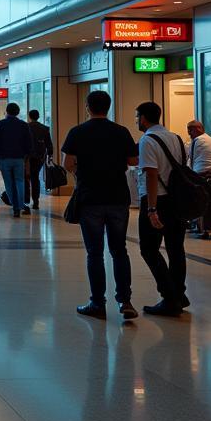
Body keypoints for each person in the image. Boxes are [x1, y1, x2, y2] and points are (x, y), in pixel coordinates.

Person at [61, 90, 139, 320]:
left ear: (87, 107)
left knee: (94, 253)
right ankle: (125, 301)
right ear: (109, 106)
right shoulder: (121, 131)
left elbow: (67, 164)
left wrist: (82, 170)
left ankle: (97, 302)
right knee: (119, 251)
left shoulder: (77, 132)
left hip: (90, 198)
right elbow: (133, 161)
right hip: (117, 197)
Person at [136, 101, 189, 316]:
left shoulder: (147, 140)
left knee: (149, 249)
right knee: (176, 248)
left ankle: (170, 297)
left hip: (157, 200)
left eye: (137, 116)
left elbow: (151, 174)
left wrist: (151, 209)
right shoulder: (176, 138)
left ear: (144, 118)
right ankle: (179, 293)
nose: (136, 120)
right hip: (177, 201)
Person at [0, 103, 32, 217]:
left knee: (8, 183)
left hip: (4, 158)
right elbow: (29, 143)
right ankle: (21, 204)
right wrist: (25, 155)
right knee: (20, 181)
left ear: (6, 111)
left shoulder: (0, 124)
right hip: (19, 159)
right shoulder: (23, 125)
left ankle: (15, 207)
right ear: (17, 112)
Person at [25, 109, 54, 211]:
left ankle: (26, 200)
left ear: (29, 116)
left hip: (26, 157)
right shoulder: (44, 128)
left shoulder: (26, 127)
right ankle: (36, 201)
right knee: (35, 177)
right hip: (39, 157)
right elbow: (49, 144)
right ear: (38, 116)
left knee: (25, 178)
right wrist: (50, 155)